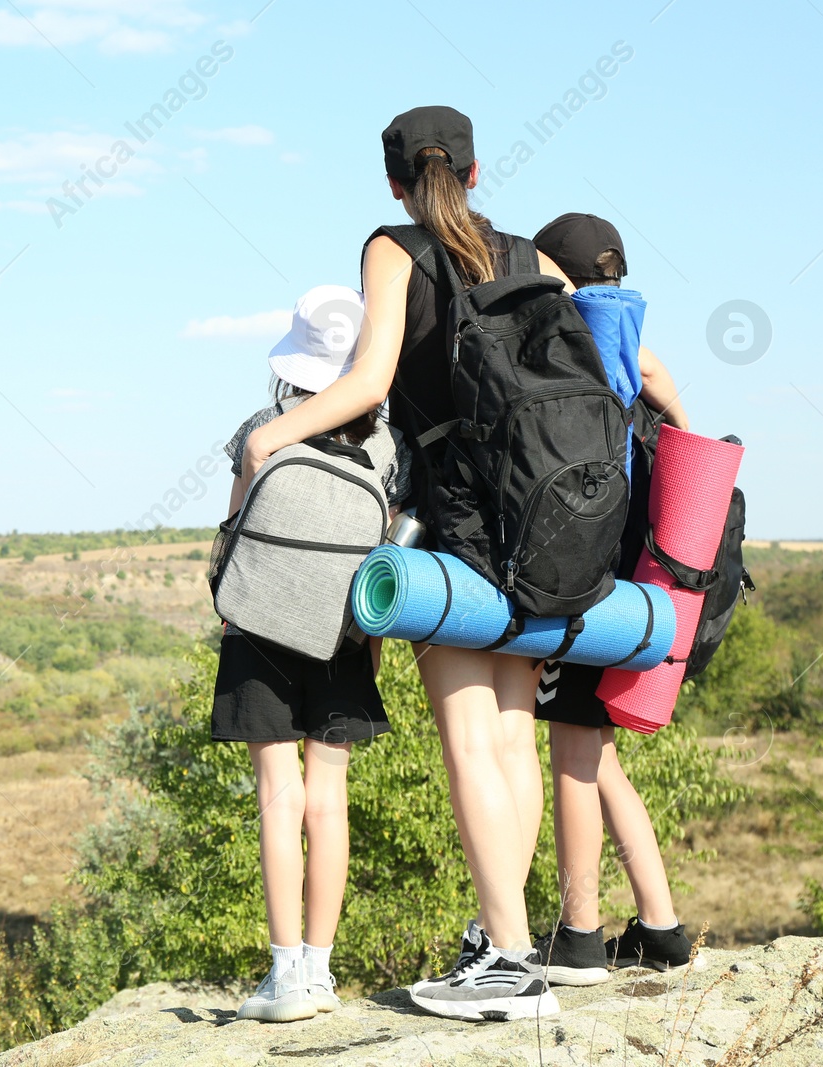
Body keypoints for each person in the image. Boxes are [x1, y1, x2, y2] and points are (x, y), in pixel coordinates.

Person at [242, 106, 570, 1021]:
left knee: (468, 734)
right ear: (475, 171)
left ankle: (508, 959)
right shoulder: (538, 262)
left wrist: (271, 435)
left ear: (394, 181)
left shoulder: (392, 247)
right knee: (512, 738)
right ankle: (505, 936)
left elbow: (371, 378)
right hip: (550, 520)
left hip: (458, 513)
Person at [215, 284, 412, 1023]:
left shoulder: (261, 427)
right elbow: (390, 549)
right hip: (344, 637)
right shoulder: (387, 446)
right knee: (328, 802)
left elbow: (234, 533)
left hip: (259, 626)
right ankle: (324, 973)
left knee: (278, 794)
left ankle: (284, 974)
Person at [526, 213, 704, 982]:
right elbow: (686, 440)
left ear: (558, 278)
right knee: (596, 755)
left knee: (571, 748)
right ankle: (661, 926)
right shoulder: (639, 353)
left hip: (584, 583)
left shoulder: (565, 346)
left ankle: (579, 938)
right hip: (640, 583)